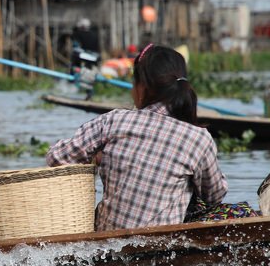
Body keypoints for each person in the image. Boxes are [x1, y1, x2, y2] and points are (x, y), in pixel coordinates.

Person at [46, 43, 228, 230]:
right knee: (238, 212)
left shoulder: (114, 120)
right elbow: (214, 196)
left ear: (142, 87)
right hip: (161, 247)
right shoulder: (199, 138)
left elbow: (57, 156)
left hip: (106, 243)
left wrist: (96, 157)